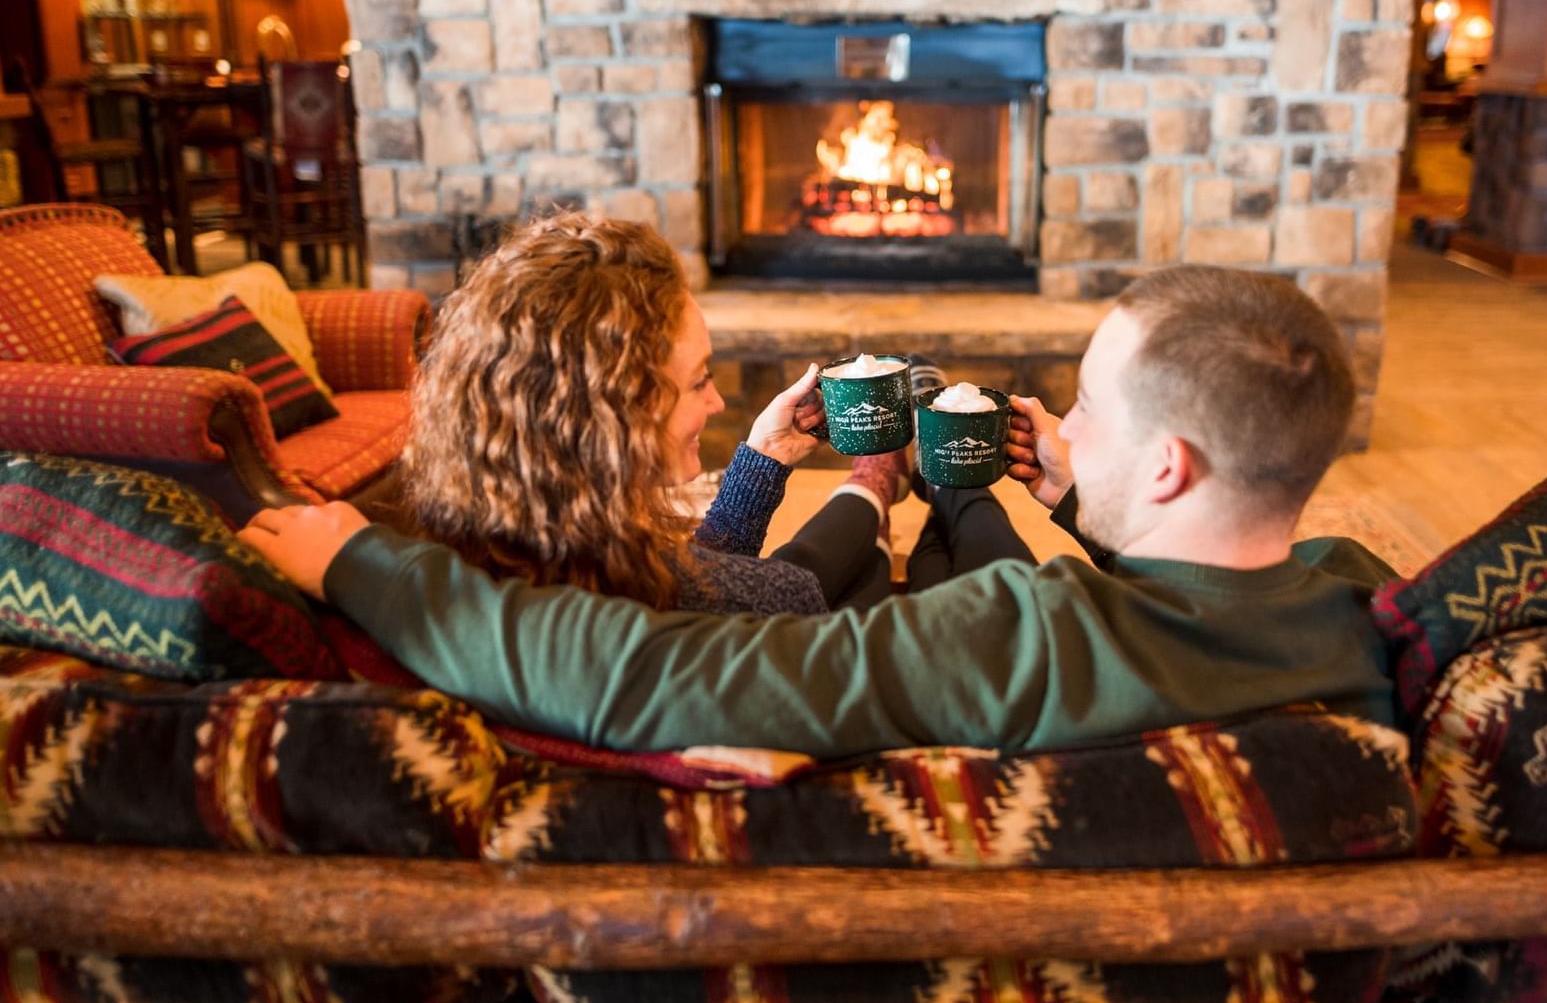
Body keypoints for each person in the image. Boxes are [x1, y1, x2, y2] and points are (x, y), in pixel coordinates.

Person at [241, 264, 1398, 758]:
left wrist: (370, 565)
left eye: (1087, 407)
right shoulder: (1361, 600)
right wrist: (1095, 514)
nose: (1058, 419)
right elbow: (1200, 595)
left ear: (1167, 468)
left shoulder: (1021, 633)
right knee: (948, 507)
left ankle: (915, 484)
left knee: (905, 519)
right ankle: (939, 488)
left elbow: (644, 673)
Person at [394, 211, 904, 615]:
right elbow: (767, 592)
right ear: (614, 415)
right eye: (700, 380)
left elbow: (696, 574)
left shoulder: (520, 547)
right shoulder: (755, 599)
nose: (718, 403)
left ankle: (876, 488)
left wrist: (764, 456)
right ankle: (882, 479)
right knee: (861, 578)